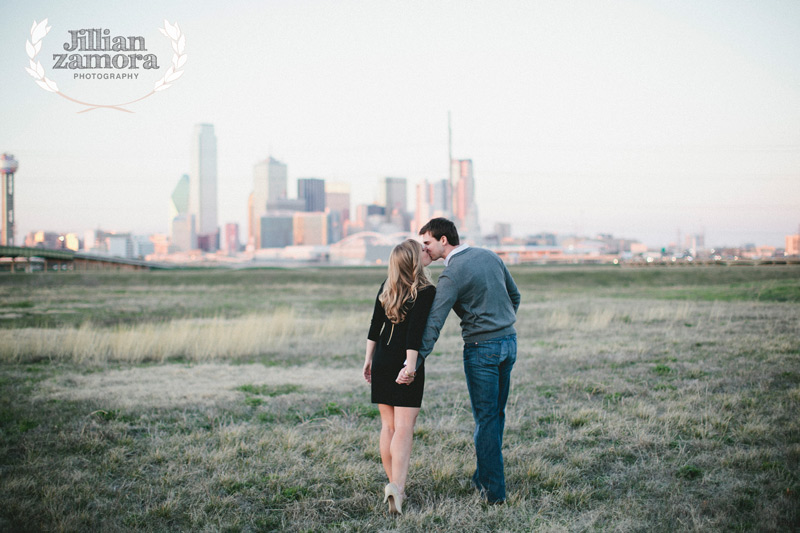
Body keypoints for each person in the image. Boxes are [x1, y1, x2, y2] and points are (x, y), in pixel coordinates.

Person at [417, 218, 520, 504]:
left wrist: (415, 361)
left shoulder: (452, 274)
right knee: (495, 415)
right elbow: (515, 296)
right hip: (509, 343)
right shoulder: (489, 255)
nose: (423, 249)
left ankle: (493, 493)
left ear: (443, 241)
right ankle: (484, 476)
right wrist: (502, 324)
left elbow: (433, 323)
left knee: (486, 418)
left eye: (427, 243)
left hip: (481, 348)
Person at [363, 239, 436, 514]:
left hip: (382, 357)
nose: (426, 252)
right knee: (404, 428)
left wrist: (368, 359)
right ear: (414, 262)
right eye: (422, 251)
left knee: (388, 426)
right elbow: (414, 333)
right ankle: (398, 489)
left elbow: (374, 325)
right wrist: (411, 367)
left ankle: (391, 484)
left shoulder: (388, 285)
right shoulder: (425, 290)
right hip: (405, 359)